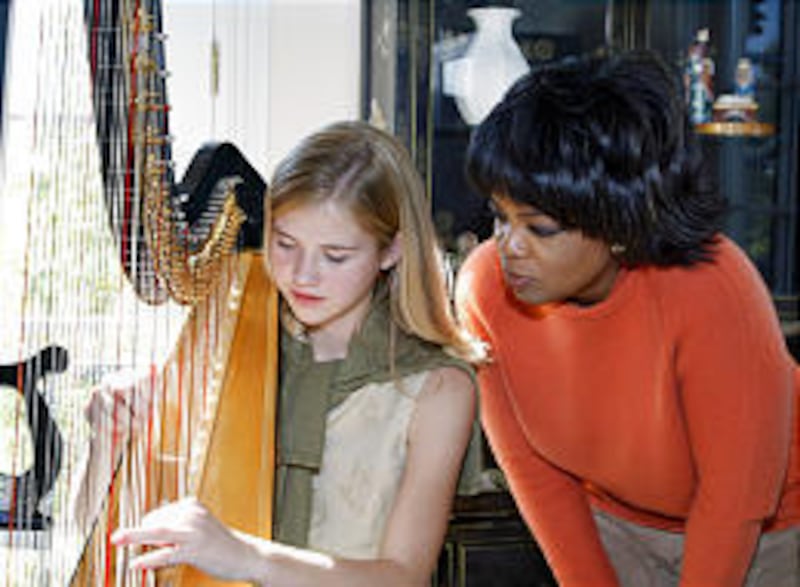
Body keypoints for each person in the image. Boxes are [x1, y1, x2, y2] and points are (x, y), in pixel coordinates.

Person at [454, 48, 800, 587]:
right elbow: (533, 471)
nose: (509, 246)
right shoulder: (484, 289)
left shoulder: (713, 287)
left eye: (540, 228)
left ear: (618, 224)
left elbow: (735, 500)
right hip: (615, 521)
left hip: (770, 531)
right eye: (500, 216)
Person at [83, 120, 482, 585]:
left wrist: (244, 556)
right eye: (285, 243)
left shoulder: (436, 388)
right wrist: (106, 442)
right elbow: (105, 537)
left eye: (335, 255)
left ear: (391, 250)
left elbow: (403, 576)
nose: (302, 275)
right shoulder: (228, 346)